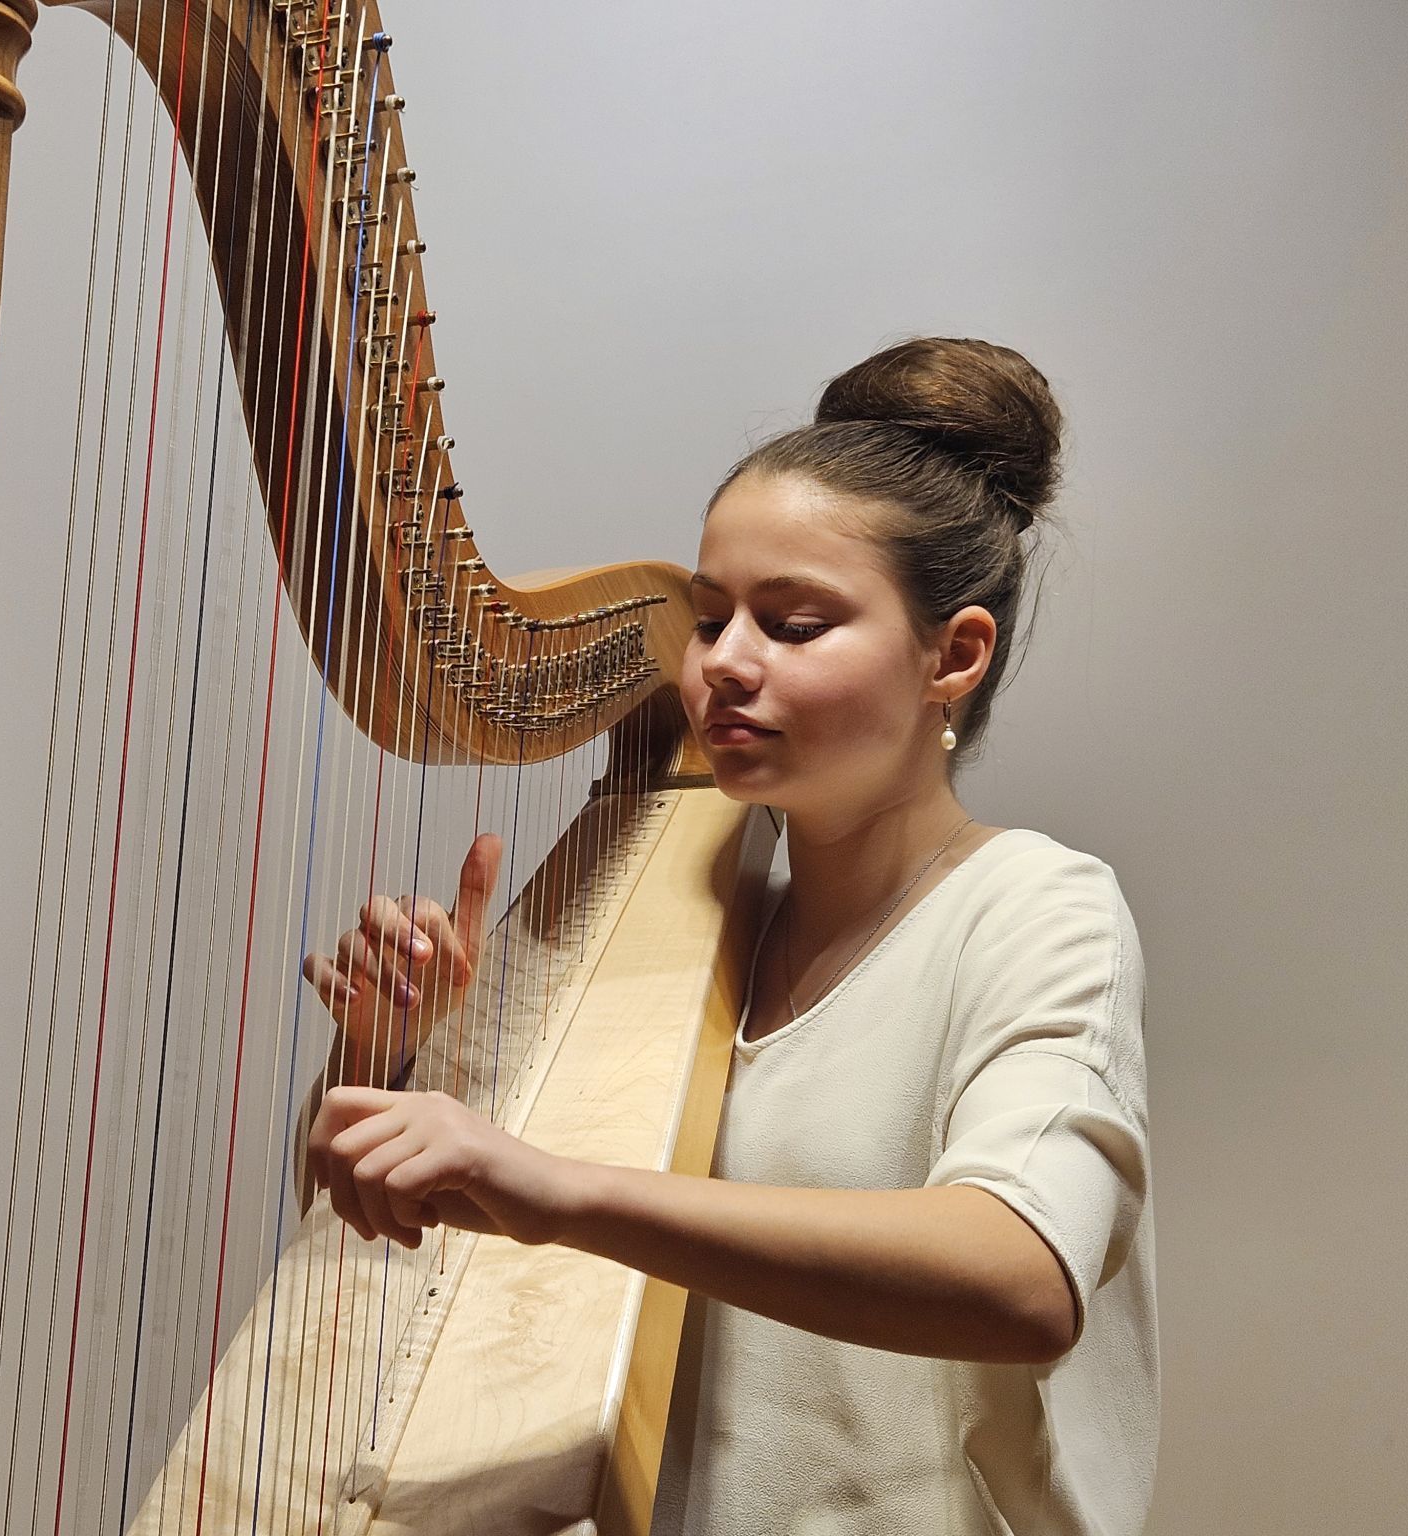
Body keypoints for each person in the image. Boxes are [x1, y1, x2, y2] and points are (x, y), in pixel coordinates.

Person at [299, 337, 1156, 1535]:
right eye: (710, 620)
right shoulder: (672, 921)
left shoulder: (1034, 909)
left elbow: (1019, 1276)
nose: (721, 668)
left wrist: (551, 1185)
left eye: (793, 625)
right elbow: (386, 1222)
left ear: (952, 656)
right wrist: (384, 1058)